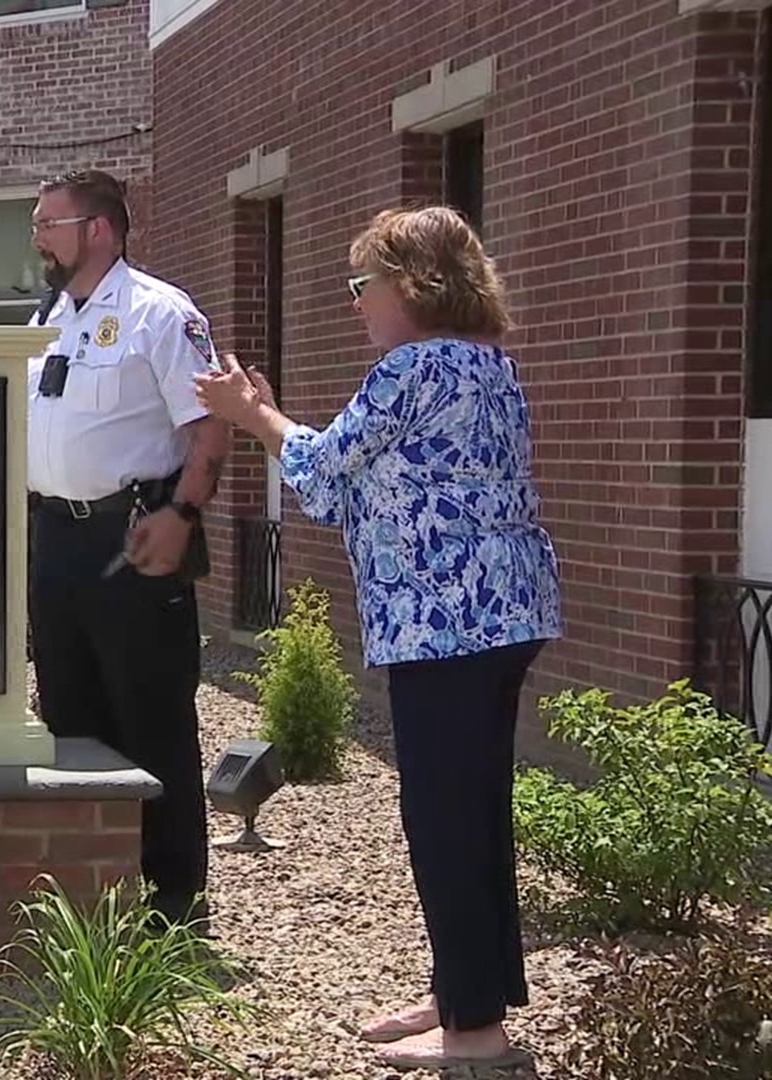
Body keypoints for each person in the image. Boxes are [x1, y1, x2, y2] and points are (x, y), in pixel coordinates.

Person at [193, 205, 562, 1070]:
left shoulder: (409, 370)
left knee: (444, 819)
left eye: (365, 285)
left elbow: (318, 474)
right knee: (473, 812)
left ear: (414, 284)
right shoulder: (489, 368)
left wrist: (254, 419)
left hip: (447, 627)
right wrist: (278, 424)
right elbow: (351, 487)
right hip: (504, 617)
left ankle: (475, 1033)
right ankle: (466, 993)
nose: (357, 302)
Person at [22, 168, 230, 930]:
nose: (38, 236)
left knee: (151, 721)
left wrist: (182, 512)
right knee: (72, 719)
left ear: (99, 229)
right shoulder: (50, 318)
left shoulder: (159, 315)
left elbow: (211, 427)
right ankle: (96, 901)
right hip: (55, 541)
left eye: (51, 222)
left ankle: (174, 909)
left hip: (135, 536)